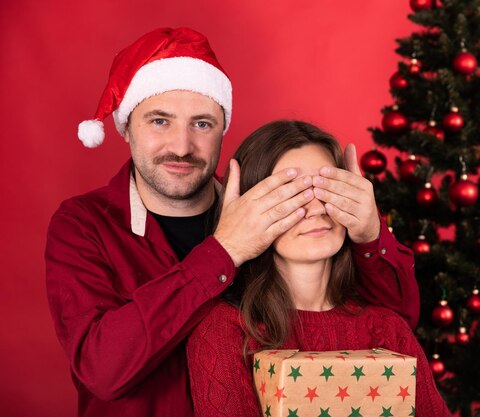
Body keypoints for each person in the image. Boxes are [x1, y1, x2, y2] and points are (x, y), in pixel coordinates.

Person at [45, 28, 419, 417]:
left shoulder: (273, 213)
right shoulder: (83, 225)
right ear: (126, 127)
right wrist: (225, 252)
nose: (181, 146)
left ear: (223, 127)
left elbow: (394, 331)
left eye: (202, 124)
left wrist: (370, 237)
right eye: (159, 121)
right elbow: (102, 369)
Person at [187, 120, 449, 417]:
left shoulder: (387, 328)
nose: (316, 208)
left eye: (328, 189)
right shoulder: (225, 331)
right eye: (291, 194)